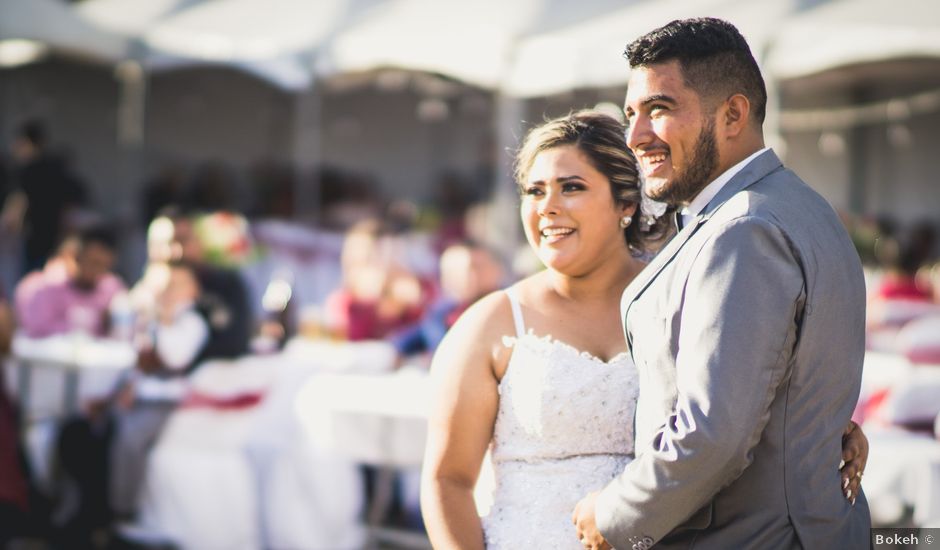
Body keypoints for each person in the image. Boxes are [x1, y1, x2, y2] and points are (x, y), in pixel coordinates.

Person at [420, 110, 868, 549]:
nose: (547, 207)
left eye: (571, 187)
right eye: (533, 191)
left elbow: (741, 400)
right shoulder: (491, 322)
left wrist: (827, 431)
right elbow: (448, 480)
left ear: (626, 204)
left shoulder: (688, 295)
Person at [571, 18, 871, 549]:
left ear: (733, 114)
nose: (636, 136)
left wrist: (615, 518)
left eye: (658, 109)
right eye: (630, 115)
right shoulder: (800, 204)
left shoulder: (743, 230)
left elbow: (713, 433)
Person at [17, 226, 125, 338]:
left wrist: (108, 322)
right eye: (94, 263)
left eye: (104, 266)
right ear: (77, 256)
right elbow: (36, 330)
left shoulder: (112, 289)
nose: (97, 271)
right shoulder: (47, 285)